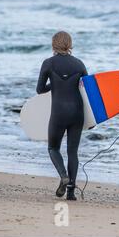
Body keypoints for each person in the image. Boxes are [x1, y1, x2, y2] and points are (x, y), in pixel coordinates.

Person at [36, 31, 88, 201]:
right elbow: (87, 91)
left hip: (59, 112)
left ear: (54, 45)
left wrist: (55, 83)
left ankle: (63, 176)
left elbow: (40, 89)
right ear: (70, 44)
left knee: (53, 148)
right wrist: (92, 119)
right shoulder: (79, 64)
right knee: (72, 151)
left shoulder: (48, 63)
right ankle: (71, 193)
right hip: (77, 112)